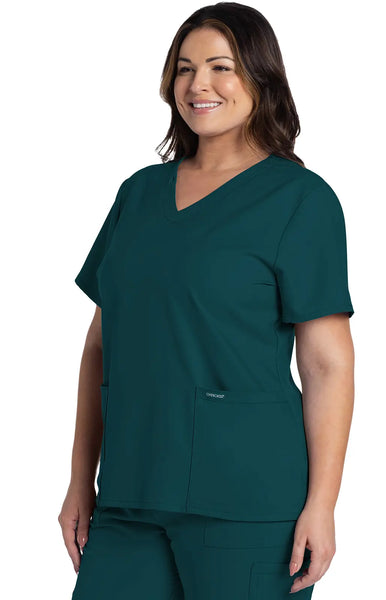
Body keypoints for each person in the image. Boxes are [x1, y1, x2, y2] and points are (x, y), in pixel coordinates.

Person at [58, 3, 355, 599]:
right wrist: (79, 480)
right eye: (185, 68)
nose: (199, 85)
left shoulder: (300, 200)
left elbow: (327, 364)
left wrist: (322, 504)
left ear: (260, 77)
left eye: (222, 67)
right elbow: (99, 347)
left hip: (248, 501)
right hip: (129, 494)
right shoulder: (139, 194)